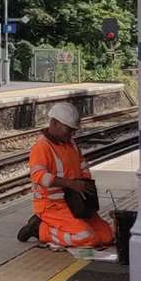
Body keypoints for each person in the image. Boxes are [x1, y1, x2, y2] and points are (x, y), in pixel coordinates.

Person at [17, 101, 115, 248]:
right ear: (55, 123)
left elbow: (82, 167)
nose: (71, 134)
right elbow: (38, 176)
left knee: (107, 236)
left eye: (73, 130)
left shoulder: (71, 144)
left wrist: (86, 188)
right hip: (52, 206)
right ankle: (40, 229)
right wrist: (71, 184)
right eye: (69, 130)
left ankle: (48, 227)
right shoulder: (42, 147)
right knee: (87, 238)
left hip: (75, 203)